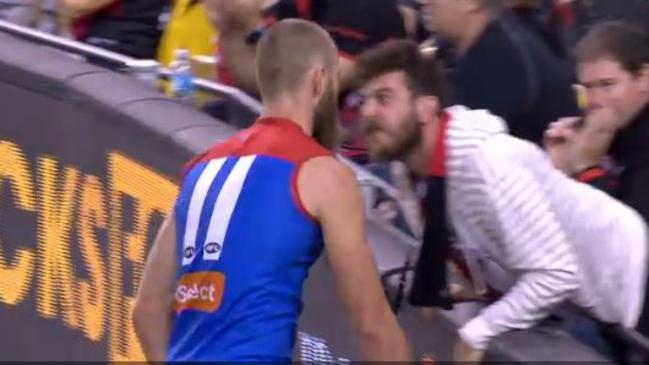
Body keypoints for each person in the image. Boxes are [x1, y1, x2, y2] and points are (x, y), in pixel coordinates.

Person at [353, 39, 648, 362]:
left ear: (426, 107)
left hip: (628, 280)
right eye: (365, 99)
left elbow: (557, 274)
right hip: (578, 299)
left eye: (383, 98)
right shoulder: (407, 171)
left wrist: (478, 332)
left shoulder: (486, 165)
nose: (367, 111)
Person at [133, 19, 410, 362]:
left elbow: (146, 310)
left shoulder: (200, 169)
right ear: (320, 80)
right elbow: (372, 324)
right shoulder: (322, 174)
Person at [417, 0, 579, 144]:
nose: (423, 1)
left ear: (472, 2)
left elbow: (465, 153)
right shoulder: (488, 40)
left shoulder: (501, 60)